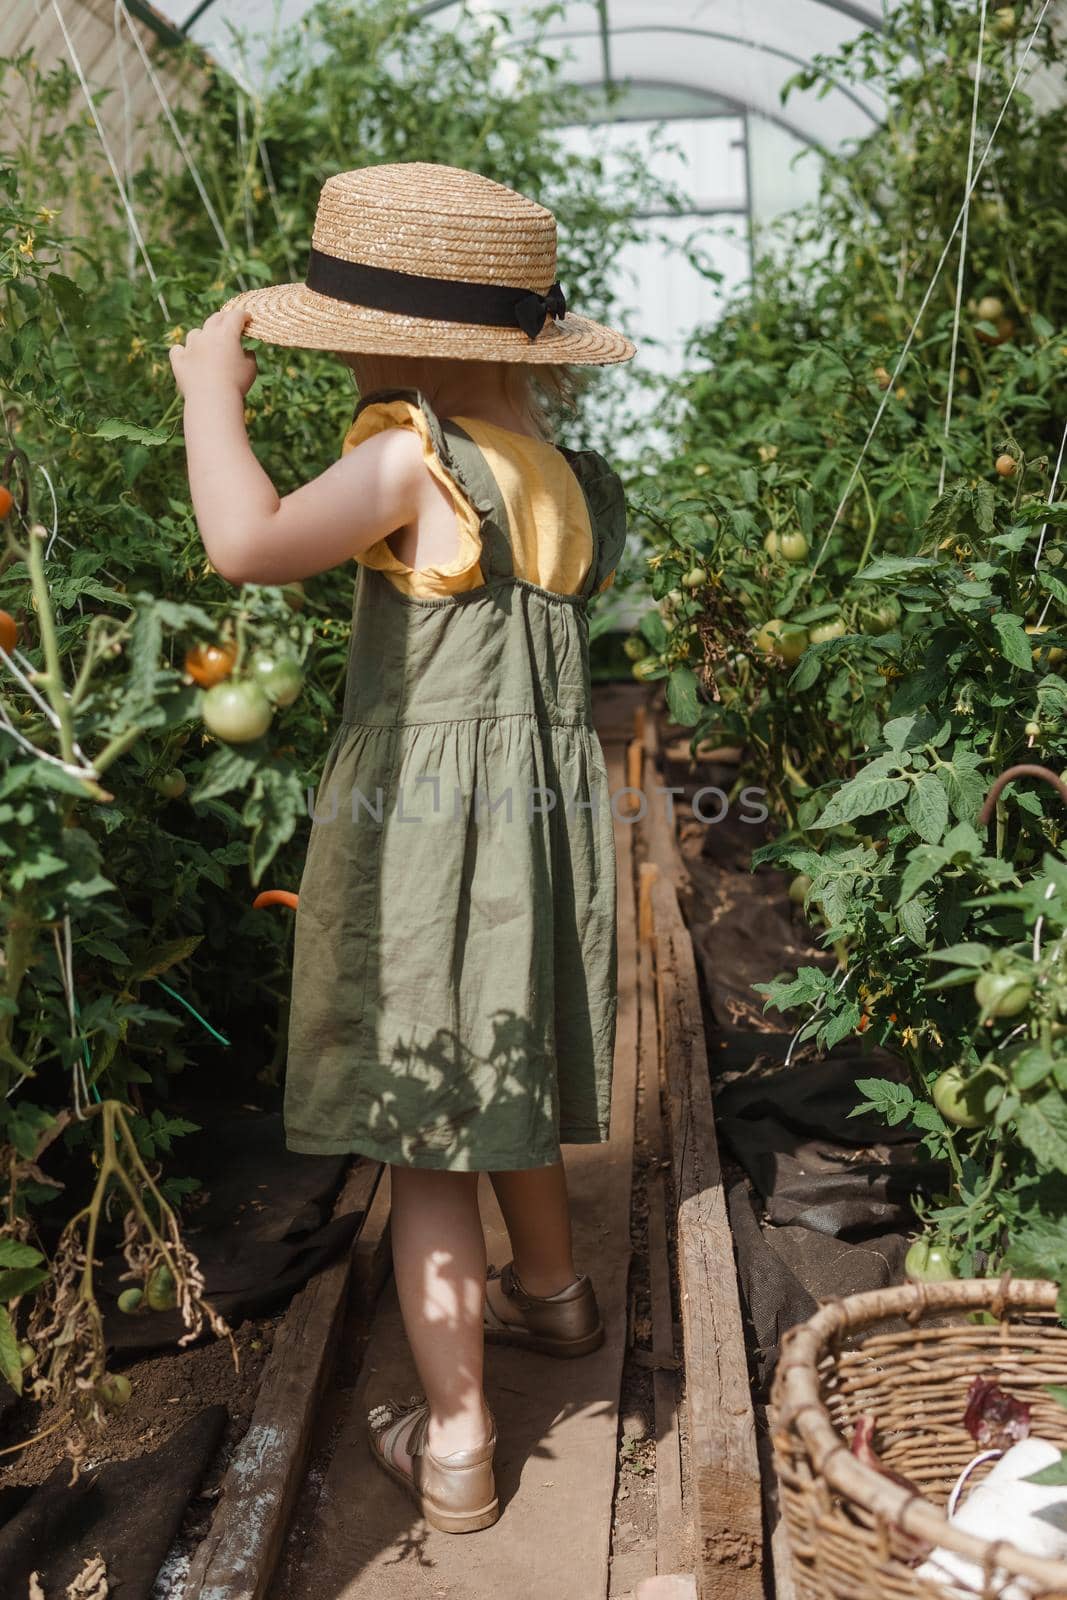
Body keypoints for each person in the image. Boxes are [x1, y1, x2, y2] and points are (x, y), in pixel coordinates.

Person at [170, 160, 636, 1535]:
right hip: (535, 829)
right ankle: (550, 1297)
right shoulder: (557, 473)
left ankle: (454, 1438)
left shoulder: (404, 456)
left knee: (425, 1130)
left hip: (426, 844)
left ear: (396, 339)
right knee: (510, 1061)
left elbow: (245, 543)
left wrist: (212, 398)